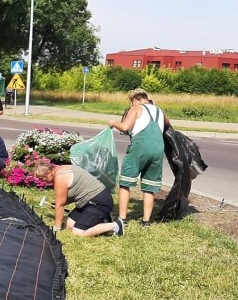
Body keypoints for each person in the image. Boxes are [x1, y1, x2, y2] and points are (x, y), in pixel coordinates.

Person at [107, 88, 169, 228]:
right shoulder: (159, 110)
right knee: (149, 185)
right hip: (158, 149)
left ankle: (122, 218)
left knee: (125, 182)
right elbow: (167, 123)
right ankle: (146, 221)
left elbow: (125, 127)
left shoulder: (136, 109)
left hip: (140, 147)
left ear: (135, 99)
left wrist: (113, 123)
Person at [32, 161, 124, 237]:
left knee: (77, 233)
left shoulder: (60, 178)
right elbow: (71, 195)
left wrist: (56, 229)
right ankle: (103, 220)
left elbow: (60, 206)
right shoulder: (61, 168)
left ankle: (116, 225)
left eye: (42, 178)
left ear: (49, 172)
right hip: (87, 202)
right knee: (69, 225)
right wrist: (59, 203)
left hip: (99, 202)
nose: (42, 181)